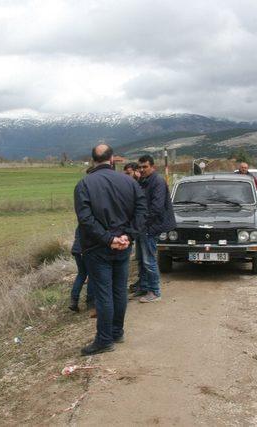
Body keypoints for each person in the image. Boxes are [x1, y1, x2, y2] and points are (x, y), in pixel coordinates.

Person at [74, 144, 147, 355]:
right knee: (119, 289)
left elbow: (85, 219)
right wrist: (128, 235)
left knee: (104, 293)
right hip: (122, 245)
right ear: (112, 158)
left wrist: (108, 239)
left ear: (92, 160)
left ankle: (105, 340)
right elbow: (142, 210)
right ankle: (117, 332)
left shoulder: (84, 184)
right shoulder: (130, 182)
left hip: (97, 247)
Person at [131, 154, 177, 303]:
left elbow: (156, 208)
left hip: (152, 226)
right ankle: (144, 288)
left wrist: (143, 223)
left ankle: (155, 292)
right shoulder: (144, 181)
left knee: (148, 260)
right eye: (140, 167)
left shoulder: (157, 181)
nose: (142, 169)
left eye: (145, 167)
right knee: (141, 259)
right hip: (144, 227)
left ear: (153, 167)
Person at [69, 227, 95, 313]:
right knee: (92, 275)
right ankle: (90, 302)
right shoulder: (92, 223)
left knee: (81, 274)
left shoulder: (81, 223)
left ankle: (74, 301)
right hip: (86, 250)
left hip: (77, 251)